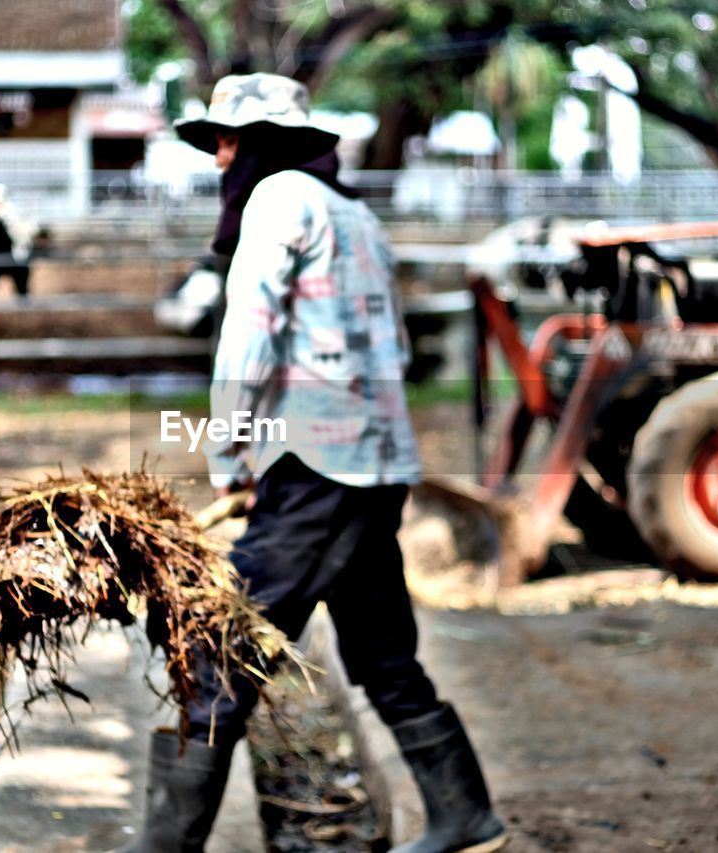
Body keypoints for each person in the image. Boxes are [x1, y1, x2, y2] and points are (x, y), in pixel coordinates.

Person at [121, 73, 507, 853]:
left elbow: (251, 335)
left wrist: (232, 448)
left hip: (318, 468)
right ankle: (465, 814)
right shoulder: (356, 215)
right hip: (371, 462)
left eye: (227, 141)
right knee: (380, 651)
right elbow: (392, 346)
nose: (220, 157)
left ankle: (165, 845)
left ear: (259, 144)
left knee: (221, 649)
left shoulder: (275, 200)